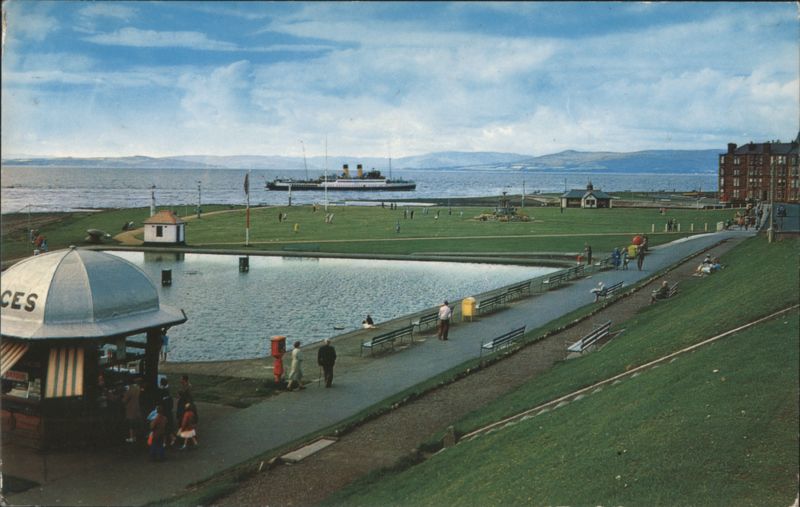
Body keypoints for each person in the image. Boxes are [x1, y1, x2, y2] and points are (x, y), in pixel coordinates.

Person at [158, 377, 176, 445]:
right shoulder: (169, 396)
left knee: (165, 427)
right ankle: (168, 440)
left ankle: (166, 441)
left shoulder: (161, 392)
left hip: (165, 413)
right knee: (167, 427)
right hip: (168, 412)